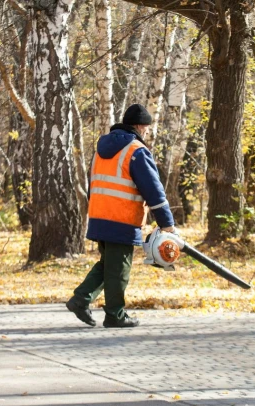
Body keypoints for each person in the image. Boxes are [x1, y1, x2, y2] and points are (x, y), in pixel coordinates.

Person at [66, 104, 176, 328]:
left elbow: (93, 184)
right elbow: (153, 189)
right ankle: (114, 315)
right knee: (120, 268)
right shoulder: (136, 151)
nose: (146, 132)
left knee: (109, 265)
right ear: (138, 126)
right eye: (145, 128)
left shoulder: (101, 150)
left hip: (99, 215)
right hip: (121, 218)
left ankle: (81, 298)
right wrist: (167, 223)